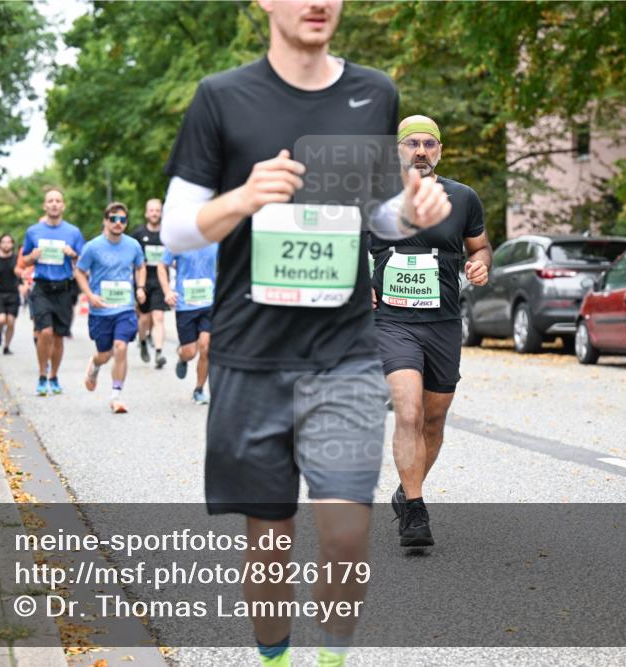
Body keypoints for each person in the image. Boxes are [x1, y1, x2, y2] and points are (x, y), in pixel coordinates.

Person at [160, 1, 451, 664]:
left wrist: (410, 210)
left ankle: (331, 658)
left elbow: (379, 214)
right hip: (250, 356)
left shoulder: (373, 93)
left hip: (344, 354)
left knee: (347, 532)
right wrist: (244, 196)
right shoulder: (222, 98)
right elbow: (177, 228)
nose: (317, 2)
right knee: (270, 538)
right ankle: (277, 660)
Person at [370, 115, 492, 547]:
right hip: (393, 323)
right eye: (411, 143)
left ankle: (407, 490)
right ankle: (416, 514)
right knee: (408, 412)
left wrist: (481, 265)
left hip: (442, 324)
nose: (420, 150)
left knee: (434, 420)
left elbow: (479, 246)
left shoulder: (463, 198)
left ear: (439, 150)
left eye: (429, 143)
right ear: (398, 151)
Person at [75, 203, 146, 413]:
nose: (118, 223)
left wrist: (140, 287)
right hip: (101, 310)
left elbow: (140, 267)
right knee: (104, 355)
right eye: (113, 219)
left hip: (125, 308)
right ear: (105, 221)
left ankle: (116, 396)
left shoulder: (133, 245)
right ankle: (95, 364)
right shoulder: (93, 247)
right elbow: (79, 272)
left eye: (122, 220)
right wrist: (90, 296)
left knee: (121, 347)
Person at [21, 189, 85, 396]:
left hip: (64, 289)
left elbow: (82, 260)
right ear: (45, 206)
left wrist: (72, 253)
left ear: (63, 206)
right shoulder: (33, 231)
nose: (54, 204)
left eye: (58, 200)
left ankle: (54, 376)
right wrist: (33, 255)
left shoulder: (73, 232)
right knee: (45, 332)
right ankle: (41, 375)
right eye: (51, 201)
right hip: (42, 287)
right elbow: (25, 260)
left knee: (58, 336)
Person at [156, 242, 216, 405]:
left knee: (206, 346)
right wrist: (168, 291)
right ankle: (182, 356)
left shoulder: (216, 240)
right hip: (185, 304)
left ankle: (199, 389)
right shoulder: (180, 241)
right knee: (190, 352)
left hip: (209, 303)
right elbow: (162, 266)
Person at [132, 198, 170, 368]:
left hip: (161, 280)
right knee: (145, 318)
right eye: (152, 210)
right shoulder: (138, 234)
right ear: (146, 213)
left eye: (157, 210)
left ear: (161, 213)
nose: (155, 213)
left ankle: (159, 352)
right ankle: (143, 341)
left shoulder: (167, 234)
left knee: (159, 316)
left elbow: (174, 253)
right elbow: (132, 259)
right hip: (143, 280)